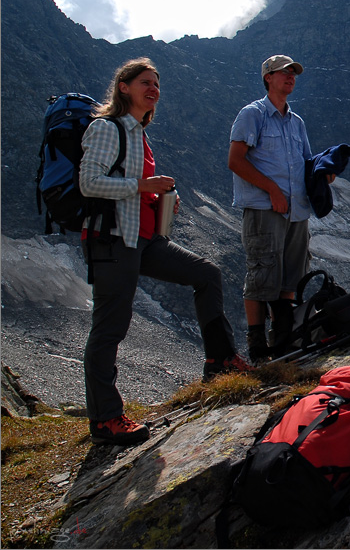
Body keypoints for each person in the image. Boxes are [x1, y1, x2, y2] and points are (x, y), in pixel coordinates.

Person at [80, 57, 253, 446]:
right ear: (123, 87)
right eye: (145, 82)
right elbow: (89, 183)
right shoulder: (107, 128)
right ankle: (105, 419)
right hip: (112, 240)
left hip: (143, 238)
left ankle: (219, 359)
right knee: (110, 327)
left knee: (206, 273)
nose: (153, 89)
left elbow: (127, 185)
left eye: (157, 84)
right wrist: (142, 188)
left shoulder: (138, 133)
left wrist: (158, 199)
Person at [228, 55, 336, 361]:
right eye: (282, 72)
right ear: (267, 78)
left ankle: (283, 339)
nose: (289, 77)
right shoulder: (253, 114)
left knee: (290, 277)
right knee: (262, 274)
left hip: (296, 211)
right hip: (264, 208)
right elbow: (235, 160)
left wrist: (324, 172)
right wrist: (271, 189)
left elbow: (305, 162)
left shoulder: (296, 122)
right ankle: (257, 344)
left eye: (293, 73)